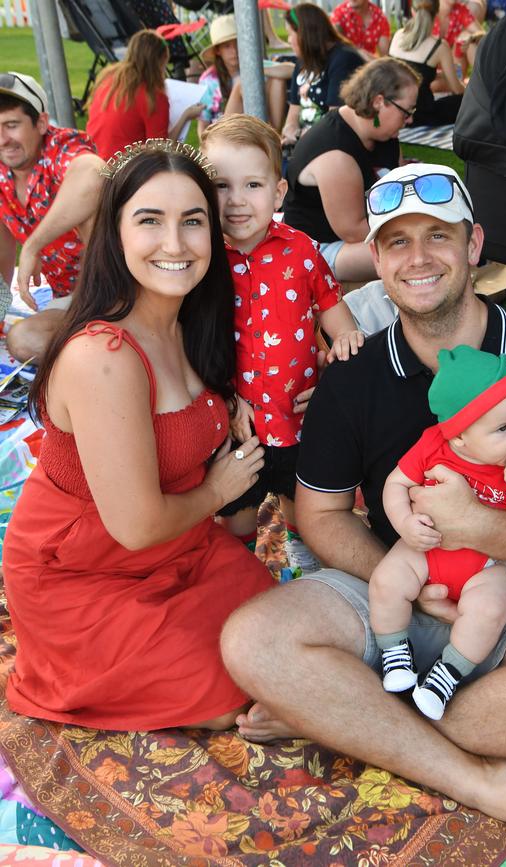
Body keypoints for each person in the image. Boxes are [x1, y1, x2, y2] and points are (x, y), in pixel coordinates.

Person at [220, 162, 506, 852]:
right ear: (377, 260)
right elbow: (318, 515)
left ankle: (350, 711)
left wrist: (478, 527)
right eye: (395, 243)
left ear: (474, 244)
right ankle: (481, 778)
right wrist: (413, 579)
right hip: (391, 576)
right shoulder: (352, 377)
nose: (418, 259)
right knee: (252, 640)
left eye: (437, 237)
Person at [2, 139, 274, 730]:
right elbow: (135, 526)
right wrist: (220, 491)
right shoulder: (102, 355)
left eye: (192, 222)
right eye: (150, 221)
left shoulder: (190, 322)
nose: (175, 245)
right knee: (237, 694)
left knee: (285, 637)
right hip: (84, 576)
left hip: (182, 550)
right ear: (115, 235)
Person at [201, 114, 364, 574]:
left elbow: (328, 299)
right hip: (238, 420)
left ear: (278, 193)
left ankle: (304, 564)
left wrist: (346, 333)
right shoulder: (205, 258)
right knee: (236, 514)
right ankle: (237, 578)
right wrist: (225, 401)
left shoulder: (301, 249)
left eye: (252, 185)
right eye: (220, 185)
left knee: (302, 503)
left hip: (298, 412)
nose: (236, 201)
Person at [371, 345, 506, 720]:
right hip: (427, 548)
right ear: (459, 437)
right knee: (386, 581)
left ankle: (447, 675)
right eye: (504, 428)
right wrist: (406, 524)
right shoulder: (433, 446)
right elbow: (395, 485)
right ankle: (395, 652)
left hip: (487, 562)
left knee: (491, 611)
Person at [282, 58, 420, 282]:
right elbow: (354, 231)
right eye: (406, 111)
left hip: (357, 237)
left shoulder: (382, 132)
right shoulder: (335, 154)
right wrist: (415, 230)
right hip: (316, 249)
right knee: (408, 251)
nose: (410, 119)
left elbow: (398, 181)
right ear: (379, 102)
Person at [0, 72, 105, 363]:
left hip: (116, 292)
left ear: (42, 123)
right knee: (24, 341)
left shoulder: (61, 146)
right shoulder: (3, 170)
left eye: (11, 125)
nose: (2, 139)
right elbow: (2, 250)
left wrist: (33, 246)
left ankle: (117, 339)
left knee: (89, 206)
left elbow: (94, 174)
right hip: (71, 302)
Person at [86, 29, 203, 161]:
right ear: (160, 61)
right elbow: (160, 149)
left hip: (94, 157)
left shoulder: (109, 78)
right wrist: (186, 116)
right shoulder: (152, 96)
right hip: (121, 167)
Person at [281, 4, 364, 146]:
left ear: (304, 34)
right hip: (306, 142)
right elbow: (293, 113)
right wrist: (290, 130)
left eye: (290, 34)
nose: (288, 40)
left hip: (334, 145)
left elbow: (336, 120)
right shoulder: (302, 61)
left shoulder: (343, 59)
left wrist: (303, 137)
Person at [197, 15, 293, 135]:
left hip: (257, 126)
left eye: (237, 44)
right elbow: (203, 123)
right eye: (227, 46)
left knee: (277, 79)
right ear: (218, 51)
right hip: (226, 134)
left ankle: (274, 135)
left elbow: (292, 70)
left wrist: (254, 69)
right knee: (244, 83)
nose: (235, 51)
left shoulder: (254, 64)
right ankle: (270, 137)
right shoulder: (208, 80)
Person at [389, 0, 465, 125]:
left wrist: (436, 76)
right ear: (436, 14)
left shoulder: (398, 35)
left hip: (394, 109)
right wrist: (468, 90)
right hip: (419, 113)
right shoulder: (439, 46)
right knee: (465, 100)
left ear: (412, 11)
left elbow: (408, 69)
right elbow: (457, 89)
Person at [432, 0, 485, 80]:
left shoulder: (460, 10)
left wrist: (472, 38)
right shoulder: (428, 11)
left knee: (469, 41)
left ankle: (485, 82)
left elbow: (485, 37)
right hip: (432, 74)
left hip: (456, 73)